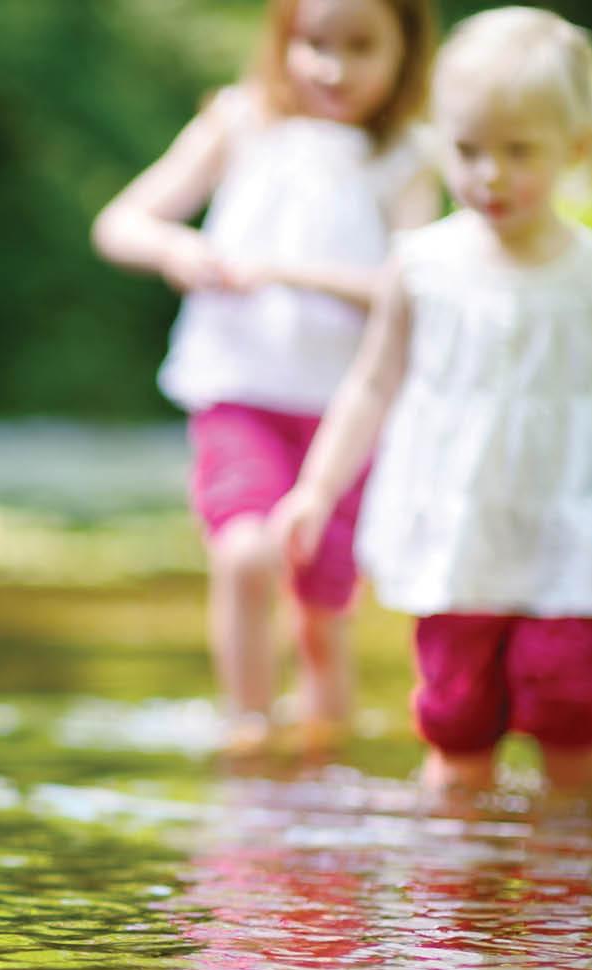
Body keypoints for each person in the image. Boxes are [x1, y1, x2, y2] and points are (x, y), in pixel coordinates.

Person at [270, 7, 592, 793]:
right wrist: (316, 490)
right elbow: (372, 384)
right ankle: (453, 901)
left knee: (570, 709)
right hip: (459, 540)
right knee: (455, 723)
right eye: (468, 150)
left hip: (567, 532)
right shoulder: (420, 267)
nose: (488, 174)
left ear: (575, 149)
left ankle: (569, 897)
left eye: (518, 153)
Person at [94, 0, 439, 757]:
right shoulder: (238, 122)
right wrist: (175, 250)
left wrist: (292, 272)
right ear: (283, 39)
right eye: (314, 44)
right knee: (246, 553)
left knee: (323, 601)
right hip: (239, 393)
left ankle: (322, 758)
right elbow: (120, 223)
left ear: (405, 52)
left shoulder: (407, 156)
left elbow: (412, 286)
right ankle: (248, 733)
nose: (333, 67)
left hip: (345, 413)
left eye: (360, 46)